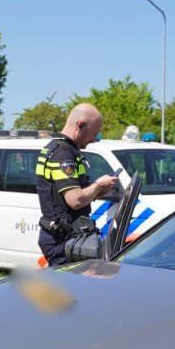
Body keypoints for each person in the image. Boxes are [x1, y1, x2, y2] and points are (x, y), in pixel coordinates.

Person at [35, 103, 117, 267]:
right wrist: (98, 184)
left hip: (65, 237)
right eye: (93, 133)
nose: (94, 139)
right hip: (62, 240)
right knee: (67, 291)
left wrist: (99, 190)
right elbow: (75, 200)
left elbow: (70, 196)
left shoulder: (62, 150)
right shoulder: (62, 154)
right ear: (80, 125)